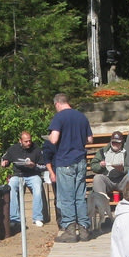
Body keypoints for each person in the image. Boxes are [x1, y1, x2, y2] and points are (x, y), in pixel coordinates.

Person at [47, 92, 94, 242]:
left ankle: (70, 231)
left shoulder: (59, 117)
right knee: (80, 196)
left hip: (65, 161)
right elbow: (90, 140)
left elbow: (54, 139)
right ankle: (84, 229)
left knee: (67, 198)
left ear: (57, 104)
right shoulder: (81, 117)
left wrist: (49, 137)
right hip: (81, 161)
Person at [0, 131, 46, 228]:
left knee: (38, 186)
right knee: (11, 186)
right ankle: (15, 218)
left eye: (29, 141)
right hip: (18, 175)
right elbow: (5, 158)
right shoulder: (13, 149)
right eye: (26, 141)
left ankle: (37, 217)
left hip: (33, 174)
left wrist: (34, 166)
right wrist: (5, 162)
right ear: (20, 141)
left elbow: (43, 166)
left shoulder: (37, 149)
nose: (28, 143)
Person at [88, 131, 128, 199]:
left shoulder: (127, 152)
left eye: (118, 143)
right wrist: (100, 165)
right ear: (111, 142)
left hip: (122, 179)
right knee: (97, 178)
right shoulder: (103, 151)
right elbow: (93, 165)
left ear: (122, 142)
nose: (116, 144)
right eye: (114, 142)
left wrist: (124, 169)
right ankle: (101, 201)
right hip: (108, 178)